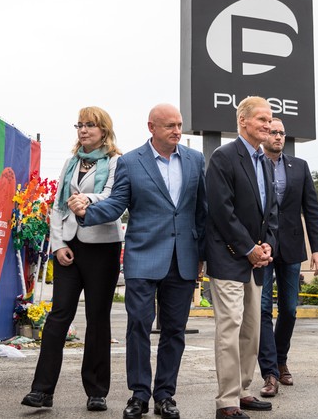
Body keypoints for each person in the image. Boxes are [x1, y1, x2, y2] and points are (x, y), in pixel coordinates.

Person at [70, 103, 207, 419]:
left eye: (179, 124)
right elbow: (118, 203)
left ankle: (165, 396)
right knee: (138, 328)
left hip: (183, 260)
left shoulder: (195, 160)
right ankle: (139, 395)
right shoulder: (130, 162)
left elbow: (203, 211)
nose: (177, 131)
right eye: (170, 126)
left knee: (174, 331)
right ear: (152, 128)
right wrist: (86, 213)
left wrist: (203, 257)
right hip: (143, 257)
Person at [21, 106, 124, 413]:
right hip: (68, 248)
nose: (83, 130)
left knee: (97, 320)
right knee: (57, 318)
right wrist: (57, 244)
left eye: (90, 126)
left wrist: (86, 199)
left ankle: (96, 391)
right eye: (79, 125)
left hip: (102, 247)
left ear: (103, 130)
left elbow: (112, 195)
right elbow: (56, 207)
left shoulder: (117, 162)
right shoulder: (70, 162)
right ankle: (41, 391)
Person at [206, 96, 277, 419]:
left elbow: (271, 212)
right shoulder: (223, 157)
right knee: (230, 326)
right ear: (242, 122)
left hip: (258, 261)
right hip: (229, 257)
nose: (268, 124)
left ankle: (245, 390)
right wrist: (249, 249)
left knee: (252, 328)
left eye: (270, 119)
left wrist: (267, 247)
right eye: (262, 119)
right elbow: (222, 211)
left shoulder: (265, 161)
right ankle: (227, 401)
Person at [257, 118, 318, 398]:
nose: (278, 137)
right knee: (261, 310)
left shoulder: (300, 167)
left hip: (292, 247)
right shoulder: (253, 163)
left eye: (282, 133)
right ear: (263, 135)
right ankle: (270, 372)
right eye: (273, 132)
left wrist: (317, 249)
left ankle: (280, 358)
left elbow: (311, 209)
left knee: (290, 309)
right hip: (261, 248)